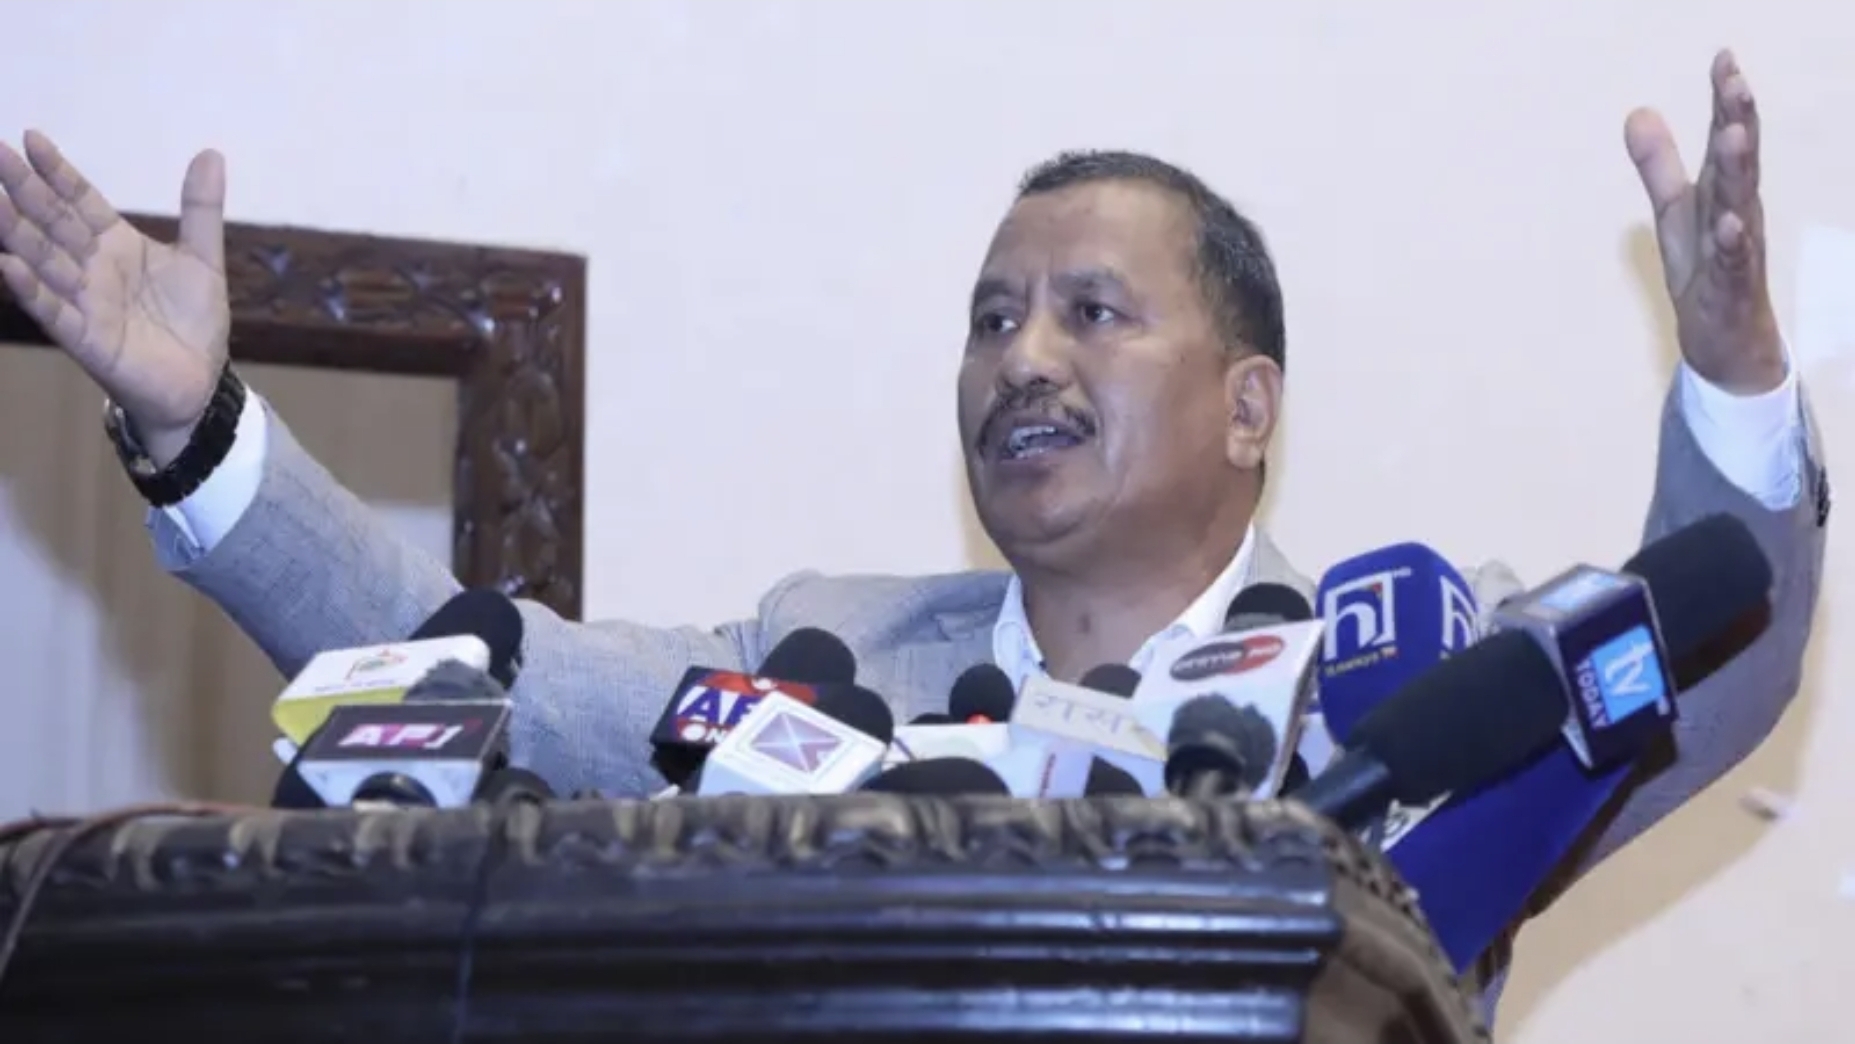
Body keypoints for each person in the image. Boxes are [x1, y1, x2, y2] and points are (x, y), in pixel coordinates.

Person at [0, 49, 1826, 1014]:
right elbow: (475, 667)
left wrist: (1737, 375)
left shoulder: (1407, 674)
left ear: (1248, 405)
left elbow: (1721, 679)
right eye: (990, 318)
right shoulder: (818, 667)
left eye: (1093, 314)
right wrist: (198, 429)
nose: (1020, 358)